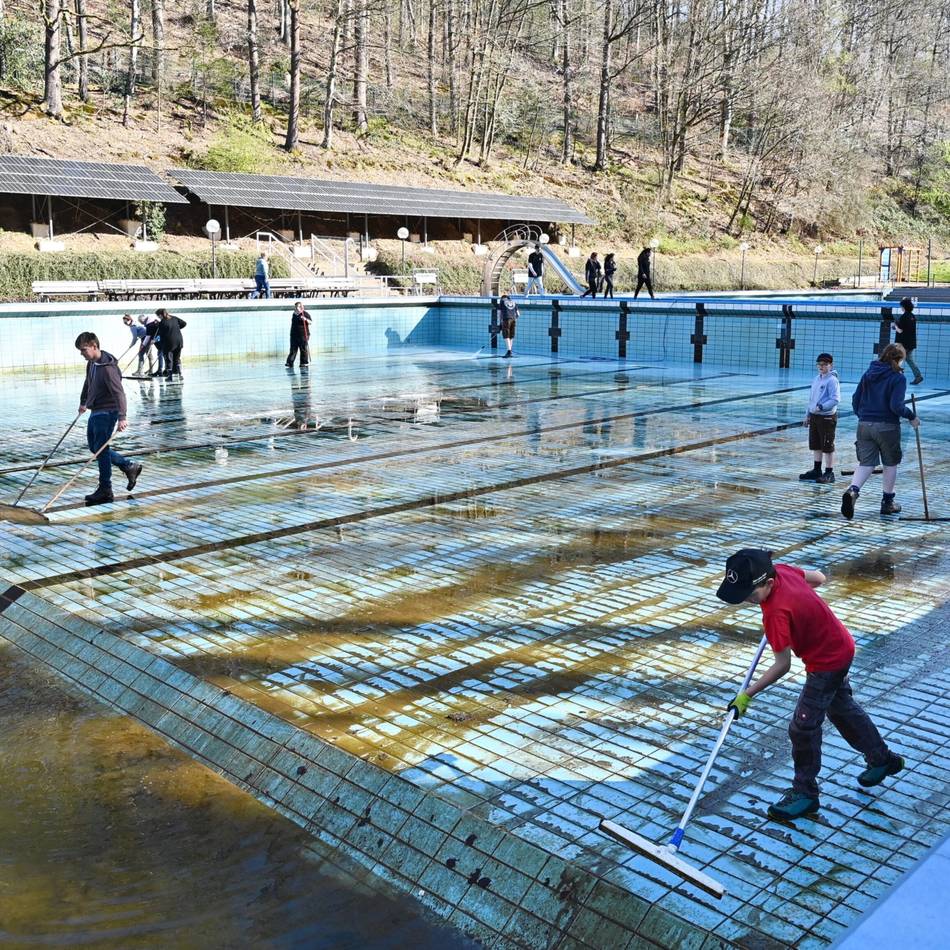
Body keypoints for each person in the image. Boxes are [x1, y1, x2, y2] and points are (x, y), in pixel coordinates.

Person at [716, 548, 903, 821]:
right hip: (841, 645)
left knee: (802, 728)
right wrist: (799, 603)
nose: (746, 600)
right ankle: (883, 759)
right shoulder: (782, 571)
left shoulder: (775, 613)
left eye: (749, 595)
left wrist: (746, 695)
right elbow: (819, 578)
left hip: (826, 663)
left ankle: (805, 793)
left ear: (768, 583)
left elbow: (782, 666)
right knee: (842, 709)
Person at [841, 342, 919, 519]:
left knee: (866, 463)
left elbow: (855, 399)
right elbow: (896, 406)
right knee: (890, 463)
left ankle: (853, 491)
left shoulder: (869, 373)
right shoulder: (898, 377)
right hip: (887, 426)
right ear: (899, 359)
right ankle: (888, 502)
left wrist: (863, 415)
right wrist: (912, 416)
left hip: (864, 425)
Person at [75, 331, 142, 506]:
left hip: (107, 411)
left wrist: (122, 416)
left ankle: (106, 489)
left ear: (94, 346)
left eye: (83, 350)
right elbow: (87, 382)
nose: (82, 354)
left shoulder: (108, 368)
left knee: (101, 450)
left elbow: (119, 393)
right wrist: (83, 401)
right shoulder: (92, 363)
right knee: (95, 447)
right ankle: (127, 466)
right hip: (95, 409)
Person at [799, 353, 840, 484]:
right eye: (819, 364)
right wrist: (808, 414)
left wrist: (822, 407)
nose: (821, 367)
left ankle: (829, 472)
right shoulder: (817, 378)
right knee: (816, 444)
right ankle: (817, 469)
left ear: (830, 365)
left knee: (827, 445)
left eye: (824, 364)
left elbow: (835, 399)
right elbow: (811, 399)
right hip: (815, 416)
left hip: (827, 417)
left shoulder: (832, 380)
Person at [892, 297, 923, 385]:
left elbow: (900, 330)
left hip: (904, 344)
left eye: (901, 306)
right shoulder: (912, 316)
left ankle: (896, 379)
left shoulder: (904, 317)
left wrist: (895, 326)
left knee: (897, 360)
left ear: (904, 307)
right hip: (911, 343)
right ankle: (918, 376)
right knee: (909, 360)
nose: (901, 308)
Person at [155, 308, 187, 380]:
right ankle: (179, 374)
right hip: (179, 341)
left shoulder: (162, 322)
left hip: (169, 343)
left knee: (169, 359)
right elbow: (184, 323)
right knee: (177, 358)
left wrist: (160, 346)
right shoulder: (174, 318)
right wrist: (176, 328)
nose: (158, 318)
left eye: (158, 316)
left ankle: (170, 376)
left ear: (160, 315)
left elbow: (161, 335)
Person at [286, 301, 312, 368]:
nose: (296, 308)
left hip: (303, 335)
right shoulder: (294, 314)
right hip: (294, 335)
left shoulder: (305, 314)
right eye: (296, 307)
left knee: (303, 349)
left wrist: (305, 319)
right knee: (293, 349)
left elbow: (310, 322)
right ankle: (289, 362)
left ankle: (304, 362)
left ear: (301, 307)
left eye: (298, 306)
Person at [139, 312, 164, 377]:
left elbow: (148, 337)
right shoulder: (152, 322)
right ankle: (160, 370)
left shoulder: (149, 325)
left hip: (160, 340)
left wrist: (143, 345)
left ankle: (161, 370)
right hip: (157, 340)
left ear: (143, 320)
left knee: (161, 354)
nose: (141, 324)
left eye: (141, 322)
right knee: (160, 354)